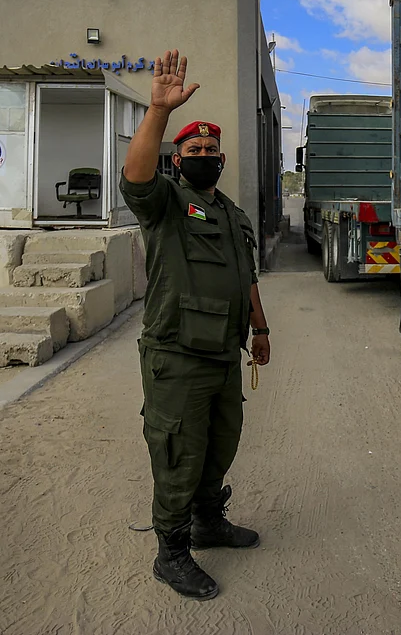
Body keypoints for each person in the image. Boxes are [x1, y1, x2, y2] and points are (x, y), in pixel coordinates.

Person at [120, 49, 271, 601]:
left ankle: (209, 523)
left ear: (221, 159)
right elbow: (135, 179)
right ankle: (172, 553)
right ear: (177, 159)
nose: (204, 154)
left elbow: (245, 274)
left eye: (211, 149)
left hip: (223, 354)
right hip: (177, 355)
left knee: (219, 447)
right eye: (193, 149)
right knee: (179, 453)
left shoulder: (231, 213)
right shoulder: (165, 203)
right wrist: (158, 111)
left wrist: (260, 329)